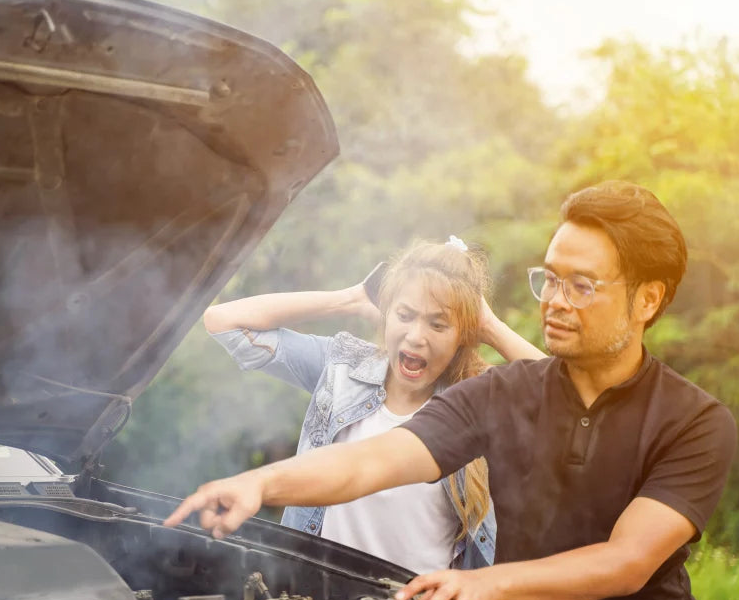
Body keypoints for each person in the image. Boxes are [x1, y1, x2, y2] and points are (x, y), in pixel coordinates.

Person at [165, 181, 739, 600]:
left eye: (582, 286)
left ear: (647, 301)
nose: (555, 300)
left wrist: (486, 582)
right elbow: (377, 459)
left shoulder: (694, 421)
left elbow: (627, 561)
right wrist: (261, 483)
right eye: (551, 278)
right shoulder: (502, 391)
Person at [203, 238, 545, 572]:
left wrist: (489, 326)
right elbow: (224, 322)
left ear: (462, 335)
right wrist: (350, 299)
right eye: (404, 315)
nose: (415, 336)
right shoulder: (343, 366)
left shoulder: (479, 397)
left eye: (438, 324)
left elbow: (571, 401)